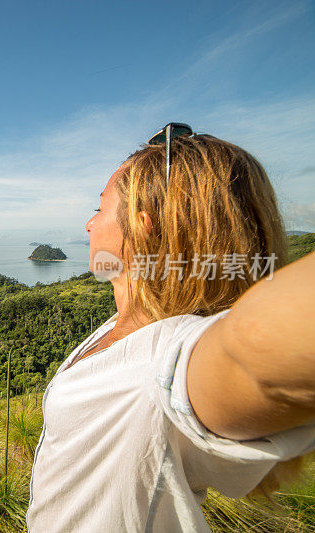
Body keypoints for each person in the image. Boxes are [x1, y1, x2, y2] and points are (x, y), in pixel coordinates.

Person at [26, 124, 315, 532]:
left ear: (142, 225)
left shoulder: (171, 359)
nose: (89, 225)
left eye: (100, 208)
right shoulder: (128, 324)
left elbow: (257, 354)